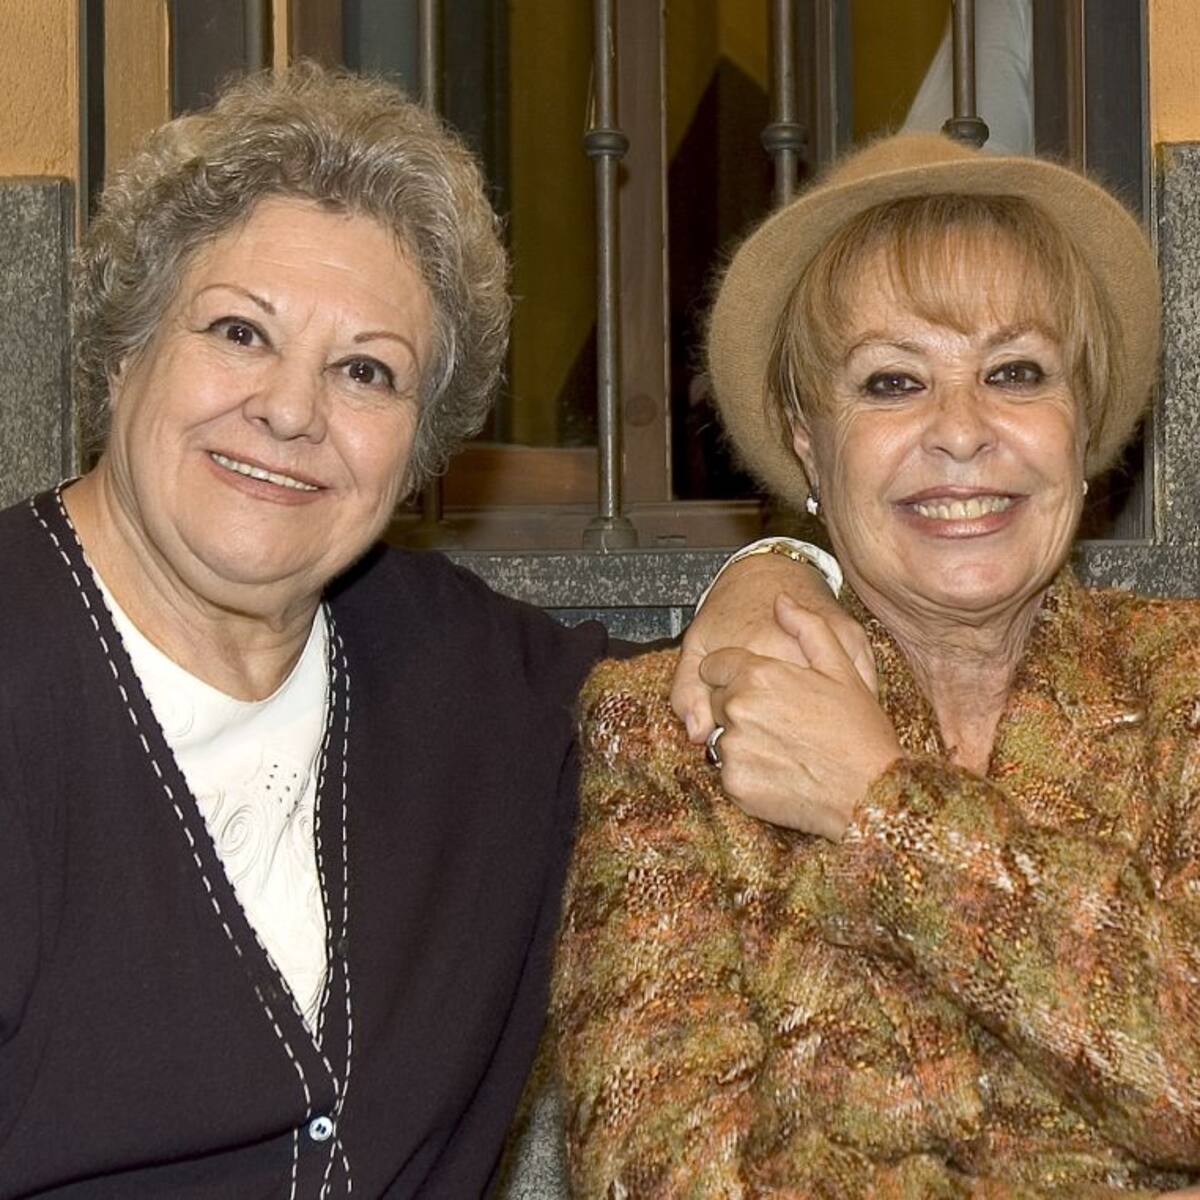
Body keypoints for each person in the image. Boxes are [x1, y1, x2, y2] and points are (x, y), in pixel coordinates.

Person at [0, 64, 856, 1197]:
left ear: (419, 446)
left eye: (366, 371)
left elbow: (720, 707)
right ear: (125, 353)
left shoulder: (467, 680)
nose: (291, 410)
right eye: (241, 332)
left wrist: (776, 567)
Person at [552, 132, 1200, 1196]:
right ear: (809, 442)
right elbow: (651, 1174)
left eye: (1016, 373)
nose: (962, 432)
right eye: (893, 382)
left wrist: (879, 809)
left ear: (1081, 424)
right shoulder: (671, 728)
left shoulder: (1183, 688)